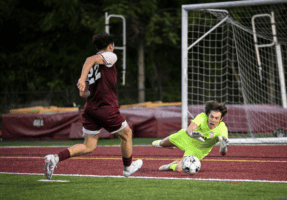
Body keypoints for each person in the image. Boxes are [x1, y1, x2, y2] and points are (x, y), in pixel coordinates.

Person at [43, 32, 143, 179]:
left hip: (91, 109)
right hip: (106, 108)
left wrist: (86, 84)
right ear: (110, 46)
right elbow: (91, 59)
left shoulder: (91, 66)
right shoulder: (110, 56)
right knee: (127, 134)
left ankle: (55, 158)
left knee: (89, 146)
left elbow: (83, 94)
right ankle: (128, 168)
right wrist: (82, 79)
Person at [152, 100, 229, 172]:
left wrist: (223, 148)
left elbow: (223, 153)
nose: (213, 120)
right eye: (211, 116)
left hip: (198, 150)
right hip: (186, 137)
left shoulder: (222, 129)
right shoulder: (202, 117)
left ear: (221, 119)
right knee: (161, 143)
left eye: (216, 118)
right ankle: (167, 144)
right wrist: (191, 133)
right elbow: (189, 129)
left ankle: (171, 165)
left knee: (179, 168)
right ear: (208, 114)